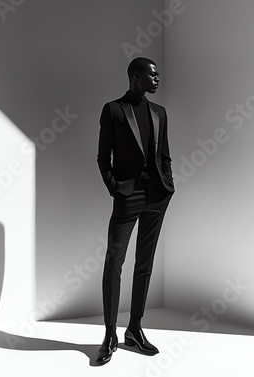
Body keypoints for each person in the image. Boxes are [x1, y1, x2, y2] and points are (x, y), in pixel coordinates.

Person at [95, 57, 175, 364]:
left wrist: (168, 184)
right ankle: (110, 334)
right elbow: (103, 157)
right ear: (135, 76)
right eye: (152, 75)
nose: (157, 80)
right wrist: (114, 186)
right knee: (114, 261)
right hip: (127, 196)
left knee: (145, 264)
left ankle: (135, 329)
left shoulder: (160, 113)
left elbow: (165, 155)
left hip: (157, 197)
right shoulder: (113, 110)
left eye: (158, 75)